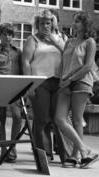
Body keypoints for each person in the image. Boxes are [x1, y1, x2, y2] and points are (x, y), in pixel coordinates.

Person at [54, 12, 98, 168]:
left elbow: (88, 66)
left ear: (85, 24)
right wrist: (61, 79)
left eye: (78, 21)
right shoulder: (69, 42)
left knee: (77, 120)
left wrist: (70, 79)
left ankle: (75, 156)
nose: (74, 24)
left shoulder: (90, 42)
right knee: (59, 118)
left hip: (81, 82)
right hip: (65, 83)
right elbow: (63, 63)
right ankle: (84, 150)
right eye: (74, 21)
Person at [22, 9, 66, 162]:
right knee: (42, 119)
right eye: (42, 23)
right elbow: (26, 62)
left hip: (58, 81)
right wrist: (29, 86)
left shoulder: (61, 38)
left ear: (53, 23)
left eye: (48, 23)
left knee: (59, 119)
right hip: (40, 82)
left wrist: (56, 41)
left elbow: (68, 55)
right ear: (37, 24)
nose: (45, 26)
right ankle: (44, 154)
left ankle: (64, 154)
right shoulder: (32, 40)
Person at [0, 23, 22, 162]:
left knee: (17, 116)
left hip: (15, 88)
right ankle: (3, 149)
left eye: (10, 34)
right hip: (1, 88)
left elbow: (23, 71)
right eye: (4, 34)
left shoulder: (18, 52)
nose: (7, 37)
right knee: (0, 117)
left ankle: (12, 146)